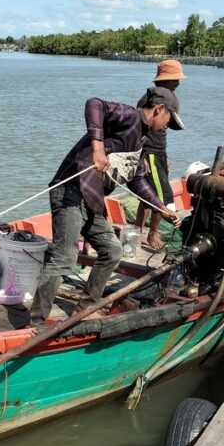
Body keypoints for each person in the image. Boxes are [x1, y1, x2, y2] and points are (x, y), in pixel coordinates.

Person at [30, 89, 184, 325]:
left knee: (112, 251)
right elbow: (95, 104)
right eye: (168, 120)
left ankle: (86, 307)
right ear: (159, 109)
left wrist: (162, 208)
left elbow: (138, 181)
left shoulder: (141, 141)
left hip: (92, 199)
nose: (167, 127)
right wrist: (98, 148)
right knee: (65, 257)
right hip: (71, 190)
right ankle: (36, 321)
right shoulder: (132, 117)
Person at [135, 59, 187, 250]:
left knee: (147, 196)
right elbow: (138, 129)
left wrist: (164, 158)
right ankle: (152, 233)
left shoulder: (165, 98)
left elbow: (162, 131)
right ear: (166, 80)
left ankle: (137, 230)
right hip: (149, 153)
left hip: (159, 152)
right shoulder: (155, 99)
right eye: (176, 79)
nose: (178, 83)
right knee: (160, 195)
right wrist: (142, 157)